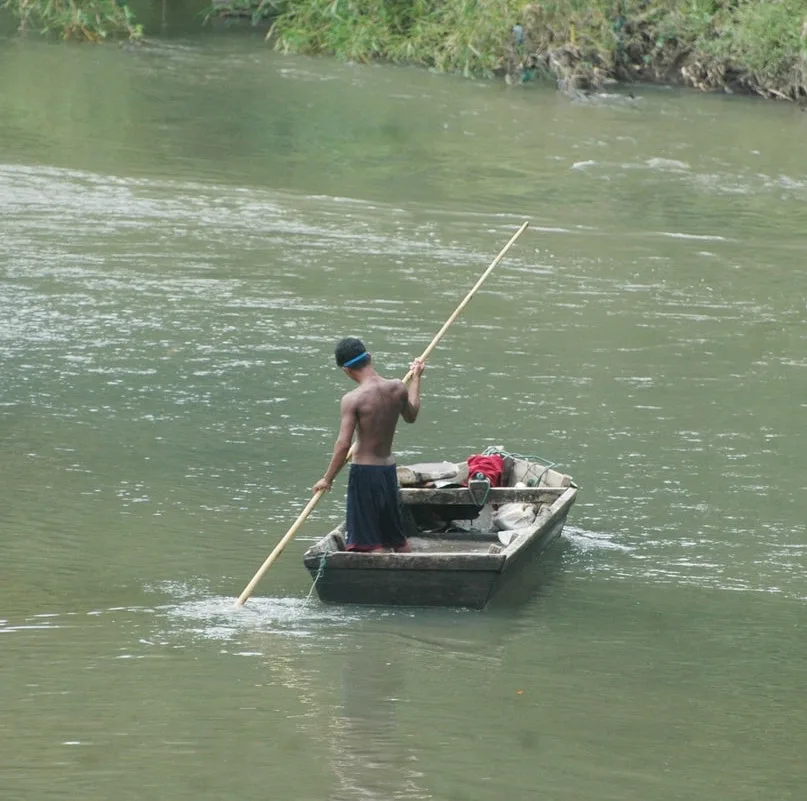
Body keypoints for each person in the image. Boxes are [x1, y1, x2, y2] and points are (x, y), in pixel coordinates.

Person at [312, 337, 425, 553]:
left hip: (365, 474)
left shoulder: (353, 399)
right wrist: (417, 379)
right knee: (397, 541)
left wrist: (327, 478)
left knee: (371, 544)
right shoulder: (398, 387)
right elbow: (411, 415)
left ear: (346, 370)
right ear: (369, 358)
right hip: (388, 472)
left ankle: (383, 582)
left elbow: (344, 444)